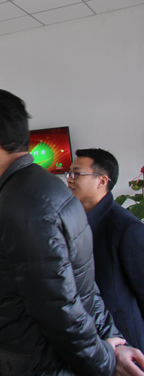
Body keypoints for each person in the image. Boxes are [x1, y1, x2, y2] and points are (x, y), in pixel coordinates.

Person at [0, 88, 144, 376]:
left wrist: (105, 359)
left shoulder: (25, 205)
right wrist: (112, 342)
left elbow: (58, 307)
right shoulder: (46, 188)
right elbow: (83, 286)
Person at [67, 148, 144, 350]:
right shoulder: (73, 221)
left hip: (122, 341)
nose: (70, 180)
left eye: (77, 174)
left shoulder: (126, 228)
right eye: (69, 173)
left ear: (101, 181)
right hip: (85, 334)